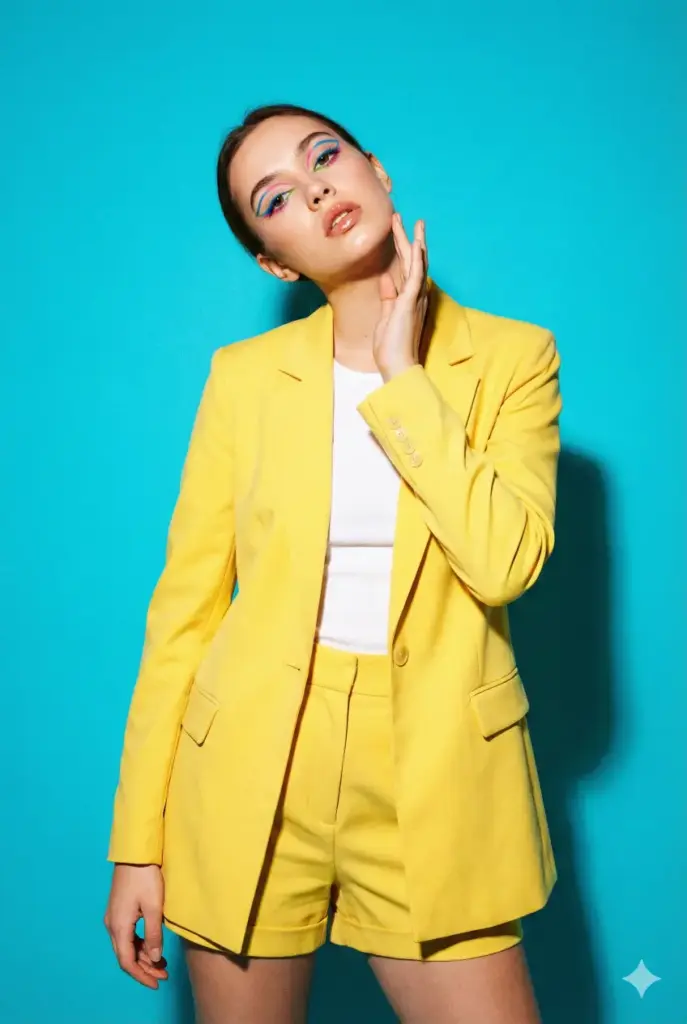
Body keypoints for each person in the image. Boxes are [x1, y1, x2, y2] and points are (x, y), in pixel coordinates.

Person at [104, 102, 562, 1024]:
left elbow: (506, 563)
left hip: (436, 769)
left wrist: (403, 376)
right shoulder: (243, 376)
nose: (313, 185)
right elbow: (184, 613)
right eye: (275, 196)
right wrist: (137, 844)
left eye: (324, 155)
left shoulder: (514, 358)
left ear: (375, 170)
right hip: (247, 771)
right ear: (275, 261)